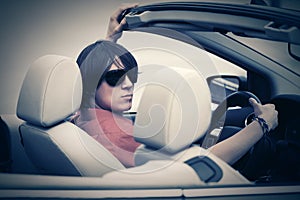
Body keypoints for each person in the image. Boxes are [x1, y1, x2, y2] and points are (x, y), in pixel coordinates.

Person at [73, 4, 278, 170]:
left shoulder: (82, 116)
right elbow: (192, 170)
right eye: (116, 77)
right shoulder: (115, 135)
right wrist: (261, 125)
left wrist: (109, 40)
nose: (128, 85)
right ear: (90, 84)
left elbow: (92, 72)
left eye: (131, 75)